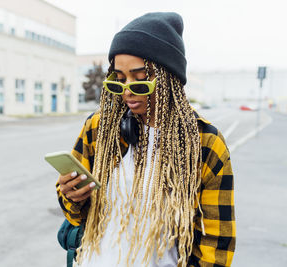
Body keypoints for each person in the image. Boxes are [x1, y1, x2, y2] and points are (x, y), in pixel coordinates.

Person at [56, 12, 235, 267]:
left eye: (140, 81)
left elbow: (216, 245)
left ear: (168, 78)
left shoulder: (205, 144)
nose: (127, 91)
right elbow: (74, 215)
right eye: (118, 81)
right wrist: (72, 196)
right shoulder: (100, 128)